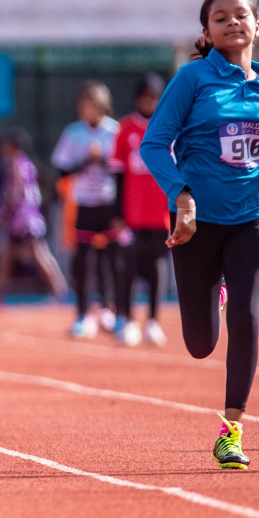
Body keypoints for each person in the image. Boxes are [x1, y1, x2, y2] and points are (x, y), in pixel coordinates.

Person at [140, 0, 259, 470]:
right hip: (196, 220)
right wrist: (180, 196)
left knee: (248, 320)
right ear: (206, 30)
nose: (232, 22)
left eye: (241, 15)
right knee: (201, 344)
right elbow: (154, 144)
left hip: (253, 218)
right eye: (220, 17)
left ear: (257, 26)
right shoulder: (193, 79)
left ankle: (232, 430)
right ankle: (215, 288)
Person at [52, 82, 120, 338]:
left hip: (108, 202)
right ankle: (82, 314)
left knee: (111, 259)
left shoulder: (114, 131)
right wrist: (85, 162)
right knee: (83, 261)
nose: (83, 108)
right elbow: (62, 169)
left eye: (88, 103)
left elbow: (121, 168)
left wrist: (101, 160)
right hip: (83, 203)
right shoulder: (73, 133)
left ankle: (109, 310)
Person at [109, 74, 172, 346]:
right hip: (132, 215)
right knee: (128, 266)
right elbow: (118, 174)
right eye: (145, 96)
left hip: (159, 213)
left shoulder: (170, 128)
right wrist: (117, 213)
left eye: (154, 97)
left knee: (157, 265)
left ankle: (154, 320)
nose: (150, 101)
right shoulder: (125, 129)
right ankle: (127, 319)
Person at [0, 130, 68, 302]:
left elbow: (15, 194)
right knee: (7, 256)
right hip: (25, 218)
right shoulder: (26, 164)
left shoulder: (17, 164)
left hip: (24, 220)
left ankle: (60, 292)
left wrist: (2, 214)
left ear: (14, 147)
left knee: (39, 255)